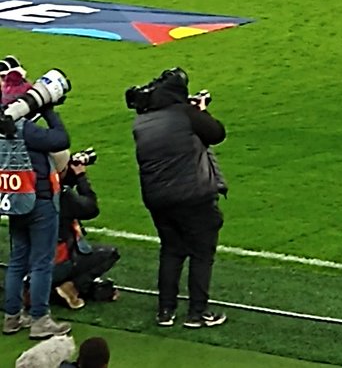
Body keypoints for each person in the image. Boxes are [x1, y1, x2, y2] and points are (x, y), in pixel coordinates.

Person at [130, 68, 227, 329]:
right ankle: (197, 312)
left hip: (157, 198)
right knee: (202, 252)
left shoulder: (141, 122)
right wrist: (201, 110)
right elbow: (216, 133)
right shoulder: (185, 114)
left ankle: (165, 311)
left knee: (171, 250)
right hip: (193, 196)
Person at [1, 66, 71, 340]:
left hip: (14, 200)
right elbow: (61, 138)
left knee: (18, 260)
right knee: (42, 262)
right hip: (40, 199)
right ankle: (40, 319)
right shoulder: (25, 129)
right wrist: (50, 109)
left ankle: (12, 317)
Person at [53, 152, 120, 309]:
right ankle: (71, 286)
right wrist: (81, 176)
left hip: (29, 263)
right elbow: (91, 209)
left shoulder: (29, 188)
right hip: (56, 263)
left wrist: (68, 175)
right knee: (108, 254)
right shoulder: (63, 196)